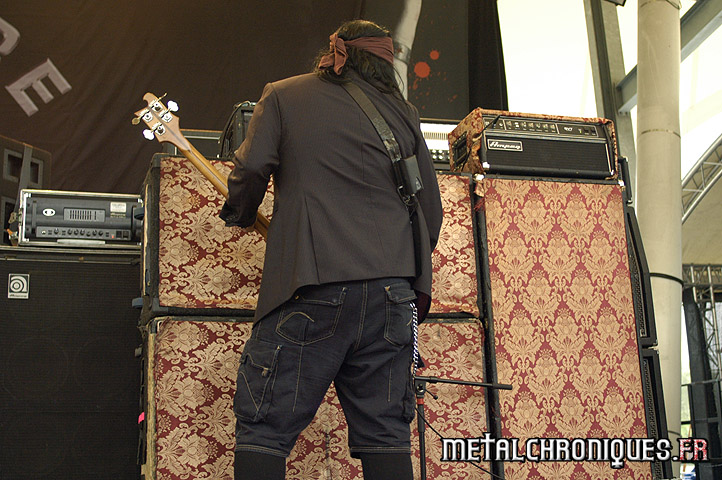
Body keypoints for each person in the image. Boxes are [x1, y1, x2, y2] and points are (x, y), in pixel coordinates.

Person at [220, 19, 443, 480]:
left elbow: (251, 168)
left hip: (311, 287)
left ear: (337, 52)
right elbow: (430, 212)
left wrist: (241, 213)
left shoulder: (283, 95)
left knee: (264, 428)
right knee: (386, 434)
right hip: (391, 297)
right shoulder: (404, 114)